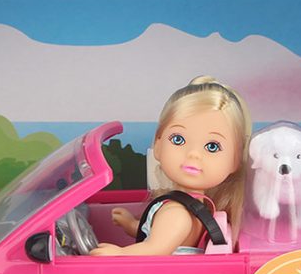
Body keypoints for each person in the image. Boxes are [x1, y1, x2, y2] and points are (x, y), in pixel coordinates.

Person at [90, 76, 251, 256]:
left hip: (159, 273)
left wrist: (119, 254)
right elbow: (160, 236)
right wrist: (131, 225)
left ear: (235, 159)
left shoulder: (177, 213)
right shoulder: (195, 205)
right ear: (158, 145)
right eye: (178, 139)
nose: (193, 154)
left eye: (212, 146)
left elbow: (156, 248)